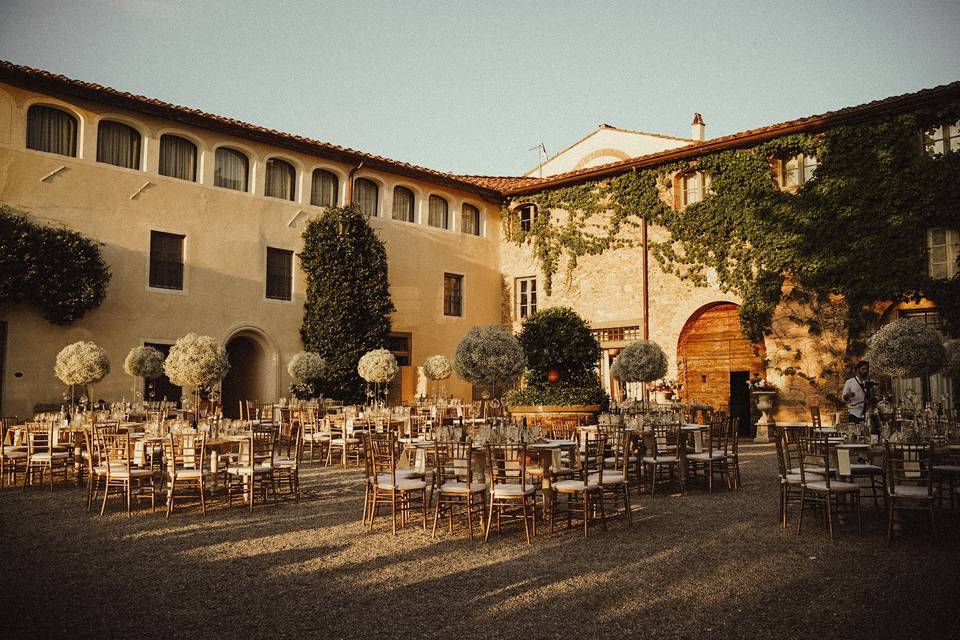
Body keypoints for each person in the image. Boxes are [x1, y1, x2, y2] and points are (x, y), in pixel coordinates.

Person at [842, 361, 875, 428]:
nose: (865, 371)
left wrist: (872, 400)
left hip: (868, 414)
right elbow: (843, 398)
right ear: (857, 370)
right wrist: (847, 396)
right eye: (863, 369)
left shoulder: (871, 382)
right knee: (855, 435)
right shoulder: (849, 382)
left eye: (867, 369)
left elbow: (876, 397)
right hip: (854, 414)